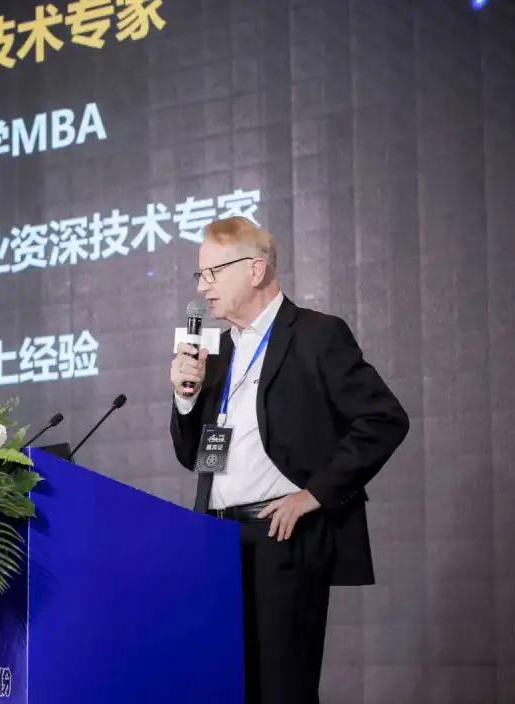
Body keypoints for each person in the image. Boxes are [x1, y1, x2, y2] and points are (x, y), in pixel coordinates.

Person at [169, 216, 408, 703]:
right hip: (218, 541)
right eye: (200, 275)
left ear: (255, 270)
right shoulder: (215, 353)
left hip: (281, 535)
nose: (202, 287)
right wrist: (185, 398)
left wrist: (315, 494)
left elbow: (384, 419)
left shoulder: (317, 334)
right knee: (224, 687)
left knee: (281, 688)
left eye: (213, 273)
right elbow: (193, 456)